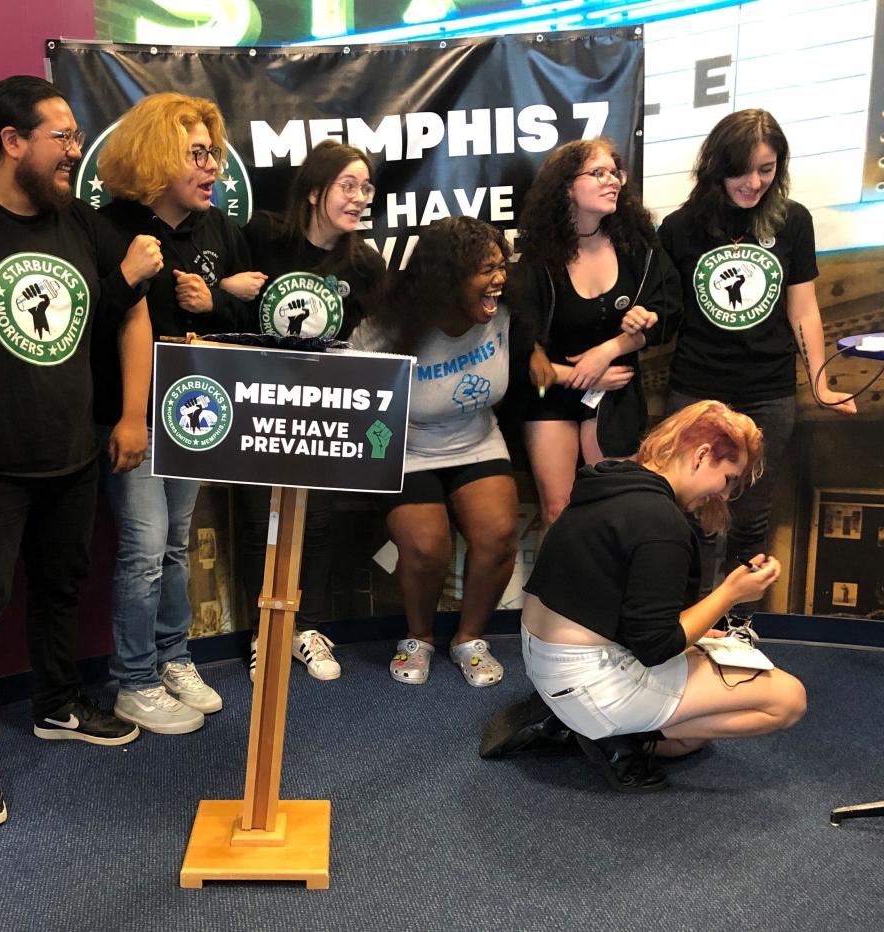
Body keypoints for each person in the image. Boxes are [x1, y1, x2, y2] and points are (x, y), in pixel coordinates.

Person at [0, 76, 157, 829]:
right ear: (12, 141)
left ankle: (57, 704)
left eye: (74, 134)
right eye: (60, 135)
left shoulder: (78, 223)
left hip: (71, 452)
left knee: (63, 586)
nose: (74, 149)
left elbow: (128, 310)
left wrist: (128, 414)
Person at [501, 401, 807, 792]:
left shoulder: (611, 483)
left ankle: (588, 724)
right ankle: (609, 732)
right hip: (590, 682)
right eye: (728, 479)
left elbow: (621, 607)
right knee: (787, 701)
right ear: (701, 455)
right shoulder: (660, 522)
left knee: (692, 728)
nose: (725, 495)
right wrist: (732, 593)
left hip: (547, 662)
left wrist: (699, 634)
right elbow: (655, 645)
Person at [93, 92, 253, 734]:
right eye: (197, 154)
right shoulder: (106, 229)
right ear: (159, 156)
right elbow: (92, 328)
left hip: (194, 414)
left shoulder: (218, 229)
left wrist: (215, 300)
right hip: (131, 414)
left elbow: (255, 323)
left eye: (212, 153)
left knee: (177, 544)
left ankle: (172, 657)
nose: (211, 166)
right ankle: (131, 679)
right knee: (143, 546)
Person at [658, 109, 857, 594]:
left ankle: (740, 627)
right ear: (716, 167)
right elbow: (664, 309)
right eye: (742, 170)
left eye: (766, 169)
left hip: (767, 392)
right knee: (694, 516)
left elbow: (803, 309)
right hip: (697, 390)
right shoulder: (680, 228)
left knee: (751, 517)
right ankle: (693, 624)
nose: (754, 182)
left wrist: (821, 384)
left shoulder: (792, 221)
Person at [350, 217, 541, 687]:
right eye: (484, 270)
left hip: (475, 437)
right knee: (425, 546)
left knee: (497, 535)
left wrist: (536, 352)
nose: (498, 279)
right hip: (408, 446)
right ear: (446, 279)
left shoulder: (502, 310)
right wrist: (378, 453)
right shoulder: (389, 328)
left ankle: (469, 638)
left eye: (500, 265)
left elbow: (527, 335)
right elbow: (351, 392)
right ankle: (419, 637)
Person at [233, 139, 388, 682]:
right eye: (349, 185)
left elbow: (386, 336)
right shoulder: (261, 236)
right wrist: (228, 290)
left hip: (323, 410)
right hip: (257, 405)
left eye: (366, 187)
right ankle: (265, 633)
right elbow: (220, 307)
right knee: (261, 520)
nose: (359, 197)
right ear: (316, 190)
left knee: (318, 519)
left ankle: (308, 629)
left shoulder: (364, 264)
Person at [509, 138, 681, 532]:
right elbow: (520, 348)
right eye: (597, 173)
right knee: (559, 511)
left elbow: (668, 313)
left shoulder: (638, 247)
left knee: (615, 510)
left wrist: (615, 346)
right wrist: (581, 374)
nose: (612, 181)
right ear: (567, 186)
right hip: (551, 392)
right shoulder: (539, 259)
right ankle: (553, 594)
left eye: (615, 172)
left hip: (616, 389)